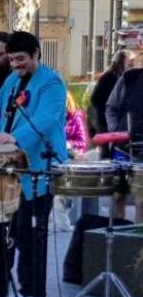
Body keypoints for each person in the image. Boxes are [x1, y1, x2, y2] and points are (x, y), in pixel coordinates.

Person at [0, 31, 68, 297]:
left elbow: (46, 119)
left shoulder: (53, 83)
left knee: (33, 233)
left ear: (36, 54)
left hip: (39, 166)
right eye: (12, 60)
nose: (16, 65)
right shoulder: (12, 79)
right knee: (14, 233)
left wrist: (15, 138)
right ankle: (18, 289)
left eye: (21, 59)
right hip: (12, 168)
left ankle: (36, 294)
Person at [106, 60, 143, 222]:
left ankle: (137, 244)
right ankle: (116, 243)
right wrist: (116, 132)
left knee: (141, 201)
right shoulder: (130, 77)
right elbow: (111, 108)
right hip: (122, 150)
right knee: (117, 196)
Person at [51, 92, 87, 232]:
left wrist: (68, 144)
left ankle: (63, 224)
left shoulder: (75, 116)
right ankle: (60, 222)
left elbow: (81, 142)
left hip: (71, 158)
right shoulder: (51, 117)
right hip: (54, 158)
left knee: (63, 194)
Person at [89, 49, 134, 158]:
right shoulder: (109, 78)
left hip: (114, 123)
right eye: (130, 64)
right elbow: (95, 99)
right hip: (106, 122)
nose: (132, 67)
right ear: (121, 63)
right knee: (109, 154)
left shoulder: (121, 78)